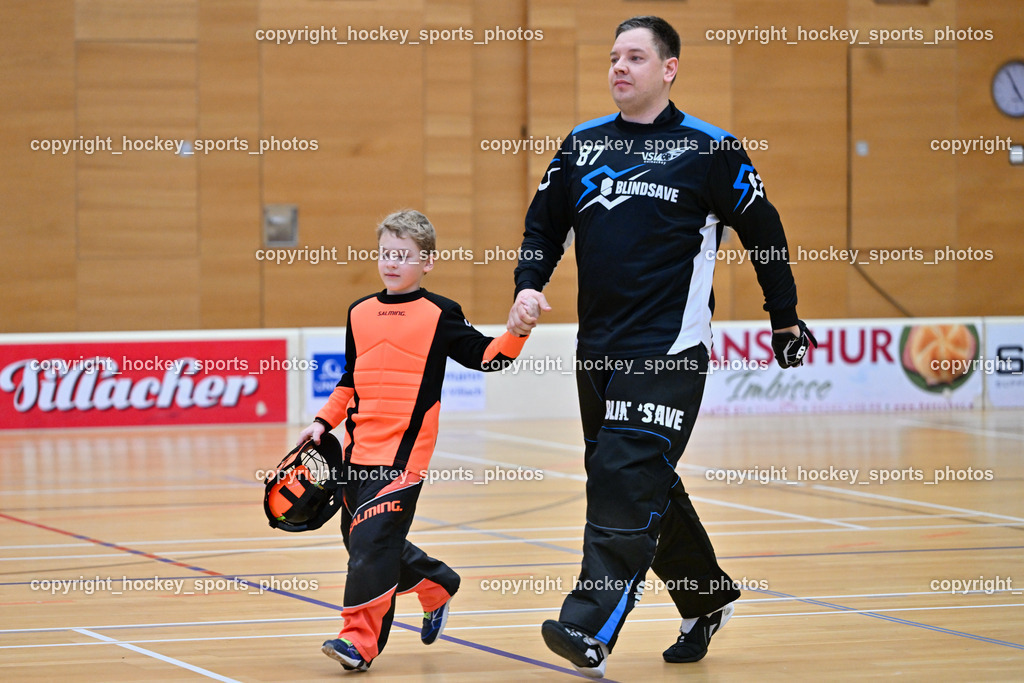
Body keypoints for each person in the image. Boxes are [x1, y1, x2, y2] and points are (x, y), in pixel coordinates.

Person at [507, 15, 816, 679]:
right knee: (639, 479)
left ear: (669, 68)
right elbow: (542, 226)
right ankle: (706, 596)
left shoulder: (712, 150)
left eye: (635, 57)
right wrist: (528, 286)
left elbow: (766, 232)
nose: (619, 66)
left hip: (669, 353)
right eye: (614, 55)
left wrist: (783, 318)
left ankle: (589, 625)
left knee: (622, 477)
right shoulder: (582, 146)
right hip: (598, 353)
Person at [302, 209, 530, 671]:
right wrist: (323, 421)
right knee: (359, 537)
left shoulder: (441, 314)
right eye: (386, 253)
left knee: (371, 545)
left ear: (427, 262)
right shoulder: (359, 311)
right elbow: (351, 378)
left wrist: (517, 331)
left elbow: (487, 357)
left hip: (404, 455)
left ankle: (358, 642)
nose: (392, 263)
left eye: (403, 256)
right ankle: (434, 583)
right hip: (356, 451)